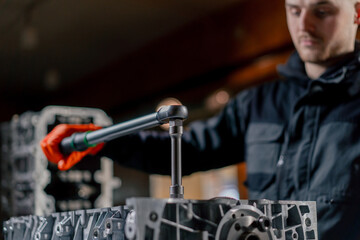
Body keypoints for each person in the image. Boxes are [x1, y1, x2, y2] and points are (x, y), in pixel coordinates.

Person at [41, 0, 360, 239]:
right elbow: (186, 150)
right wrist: (101, 140)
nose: (303, 24)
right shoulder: (257, 105)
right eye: (294, 9)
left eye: (321, 11)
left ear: (356, 12)